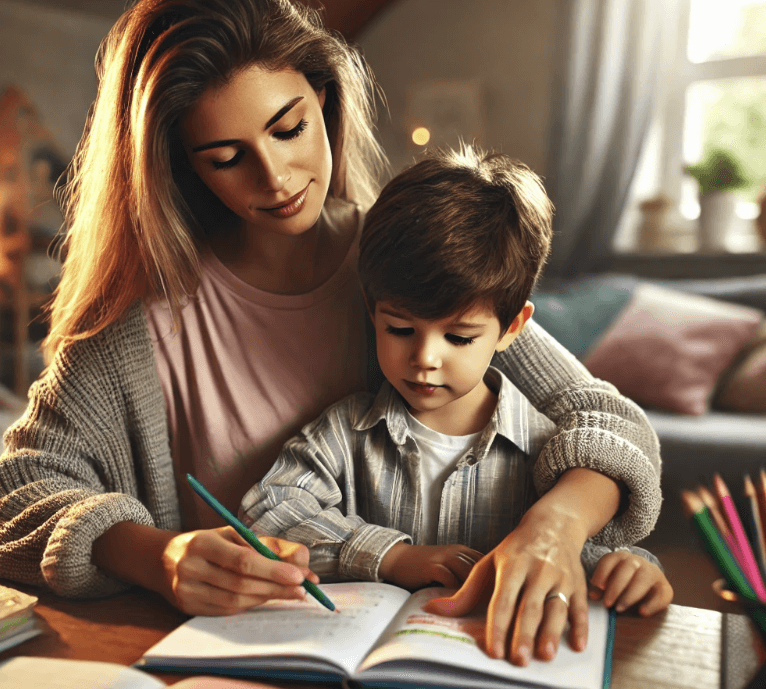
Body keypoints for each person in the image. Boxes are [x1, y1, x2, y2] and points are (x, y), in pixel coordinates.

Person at [0, 0, 661, 657]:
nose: (276, 177)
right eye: (227, 156)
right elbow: (18, 488)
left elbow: (604, 417)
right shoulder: (136, 329)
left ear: (324, 99)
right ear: (181, 165)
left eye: (288, 129)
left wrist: (556, 525)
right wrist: (155, 555)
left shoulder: (402, 264)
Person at [240, 146, 673, 664]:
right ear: (370, 310)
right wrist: (393, 556)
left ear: (513, 327)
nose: (424, 359)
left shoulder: (550, 454)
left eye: (460, 337)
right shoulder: (343, 431)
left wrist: (631, 569)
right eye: (400, 329)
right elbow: (269, 511)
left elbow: (579, 553)